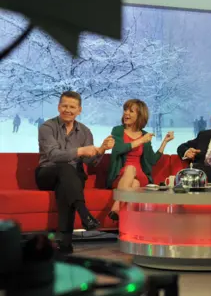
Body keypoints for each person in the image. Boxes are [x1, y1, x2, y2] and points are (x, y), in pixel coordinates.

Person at [35, 91, 114, 255]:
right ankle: (84, 212)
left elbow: (89, 162)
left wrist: (101, 150)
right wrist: (80, 150)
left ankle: (65, 244)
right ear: (58, 107)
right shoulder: (47, 127)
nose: (67, 110)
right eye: (64, 106)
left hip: (71, 178)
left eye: (72, 107)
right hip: (47, 173)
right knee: (65, 168)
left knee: (67, 185)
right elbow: (54, 155)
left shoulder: (85, 131)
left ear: (79, 110)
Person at [106, 99, 174, 221]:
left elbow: (152, 160)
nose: (126, 113)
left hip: (141, 174)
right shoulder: (118, 130)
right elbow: (118, 149)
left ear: (140, 115)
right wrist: (141, 141)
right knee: (134, 181)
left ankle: (117, 205)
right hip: (120, 175)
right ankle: (133, 226)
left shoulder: (145, 134)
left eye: (131, 111)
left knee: (134, 173)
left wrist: (164, 142)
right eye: (125, 110)